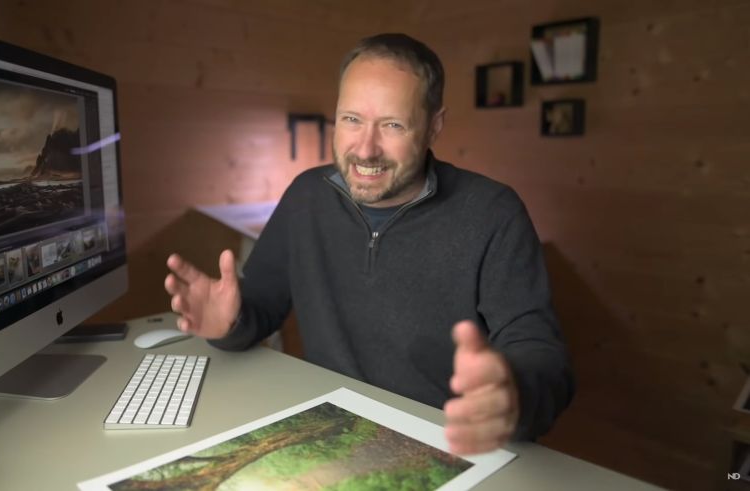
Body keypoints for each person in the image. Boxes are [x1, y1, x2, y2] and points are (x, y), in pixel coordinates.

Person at [164, 33, 574, 455]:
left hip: (453, 448)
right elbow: (261, 308)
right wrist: (228, 325)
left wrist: (514, 394)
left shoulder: (493, 212)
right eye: (351, 119)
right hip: (332, 437)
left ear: (434, 126)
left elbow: (541, 355)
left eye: (393, 125)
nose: (365, 149)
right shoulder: (307, 196)